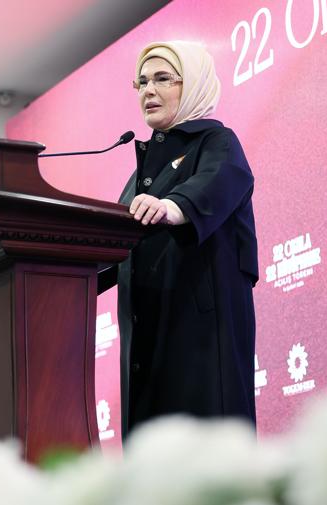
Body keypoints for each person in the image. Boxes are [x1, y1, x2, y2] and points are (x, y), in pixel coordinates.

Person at [98, 41, 259, 436]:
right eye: (142, 82)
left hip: (200, 340)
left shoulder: (218, 143)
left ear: (194, 84)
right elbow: (112, 249)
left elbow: (219, 181)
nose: (148, 91)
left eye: (162, 79)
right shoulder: (138, 179)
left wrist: (172, 206)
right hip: (147, 345)